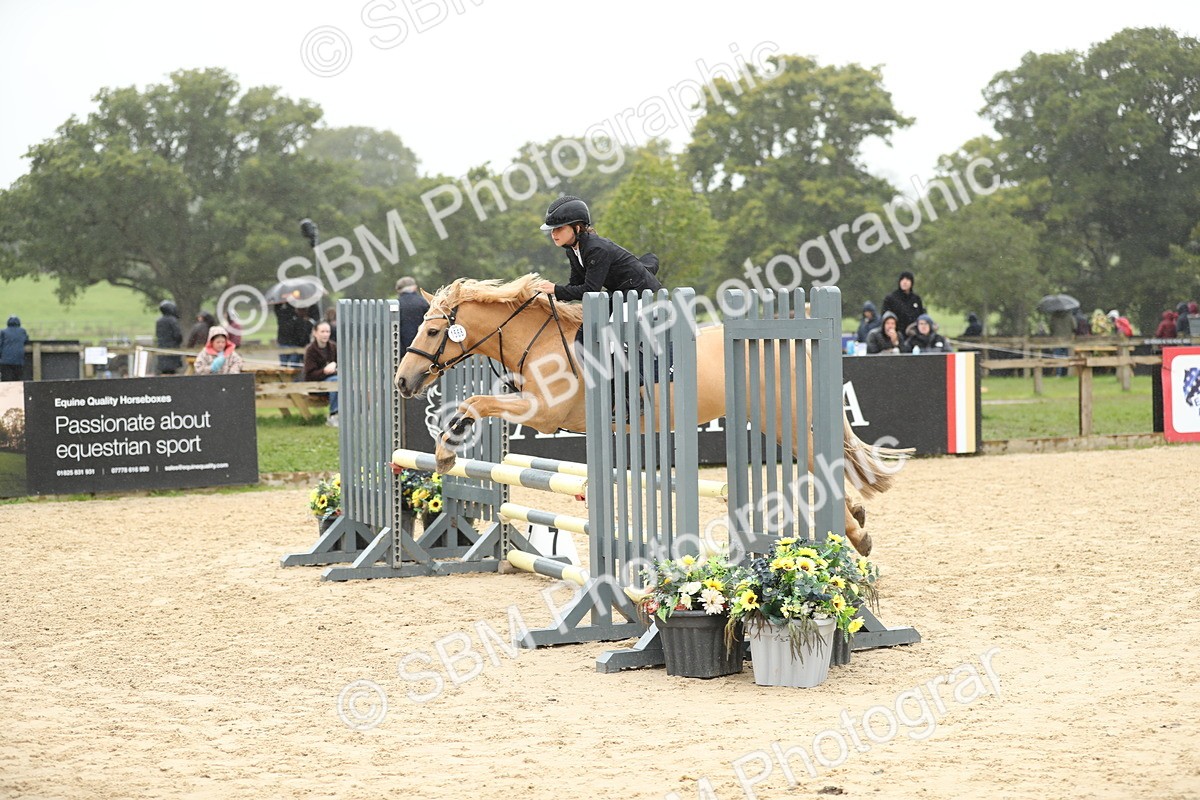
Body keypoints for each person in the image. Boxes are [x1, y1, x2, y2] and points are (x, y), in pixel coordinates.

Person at [531, 196, 662, 302]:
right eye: (553, 229)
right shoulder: (572, 251)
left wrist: (556, 289)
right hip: (619, 291)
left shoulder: (596, 249)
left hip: (637, 291)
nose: (553, 233)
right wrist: (551, 295)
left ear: (576, 228)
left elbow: (591, 290)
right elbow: (575, 284)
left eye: (559, 228)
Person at [304, 320, 339, 427]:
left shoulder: (333, 347)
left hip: (335, 379)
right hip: (316, 384)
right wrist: (325, 371)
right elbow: (310, 375)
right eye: (322, 331)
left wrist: (335, 367)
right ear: (315, 333)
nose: (325, 334)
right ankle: (333, 414)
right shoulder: (310, 350)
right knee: (335, 381)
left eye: (327, 332)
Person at [881, 271, 926, 336]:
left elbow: (921, 316)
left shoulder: (916, 299)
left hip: (913, 335)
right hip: (896, 334)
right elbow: (885, 317)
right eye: (902, 279)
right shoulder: (891, 298)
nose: (904, 282)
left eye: (907, 280)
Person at [274, 301, 313, 369]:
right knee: (289, 365)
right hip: (288, 343)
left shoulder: (301, 320)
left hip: (292, 344)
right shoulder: (289, 317)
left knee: (292, 365)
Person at [396, 276, 429, 351]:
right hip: (422, 346)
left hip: (401, 348)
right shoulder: (424, 302)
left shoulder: (396, 304)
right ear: (414, 287)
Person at [155, 300, 184, 375]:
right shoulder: (172, 320)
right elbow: (177, 335)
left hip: (162, 348)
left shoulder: (159, 321)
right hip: (172, 348)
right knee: (172, 371)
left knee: (164, 370)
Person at [0, 316, 29, 381]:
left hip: (5, 361)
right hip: (18, 360)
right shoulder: (22, 331)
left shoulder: (3, 332)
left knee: (6, 380)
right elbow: (26, 340)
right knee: (17, 380)